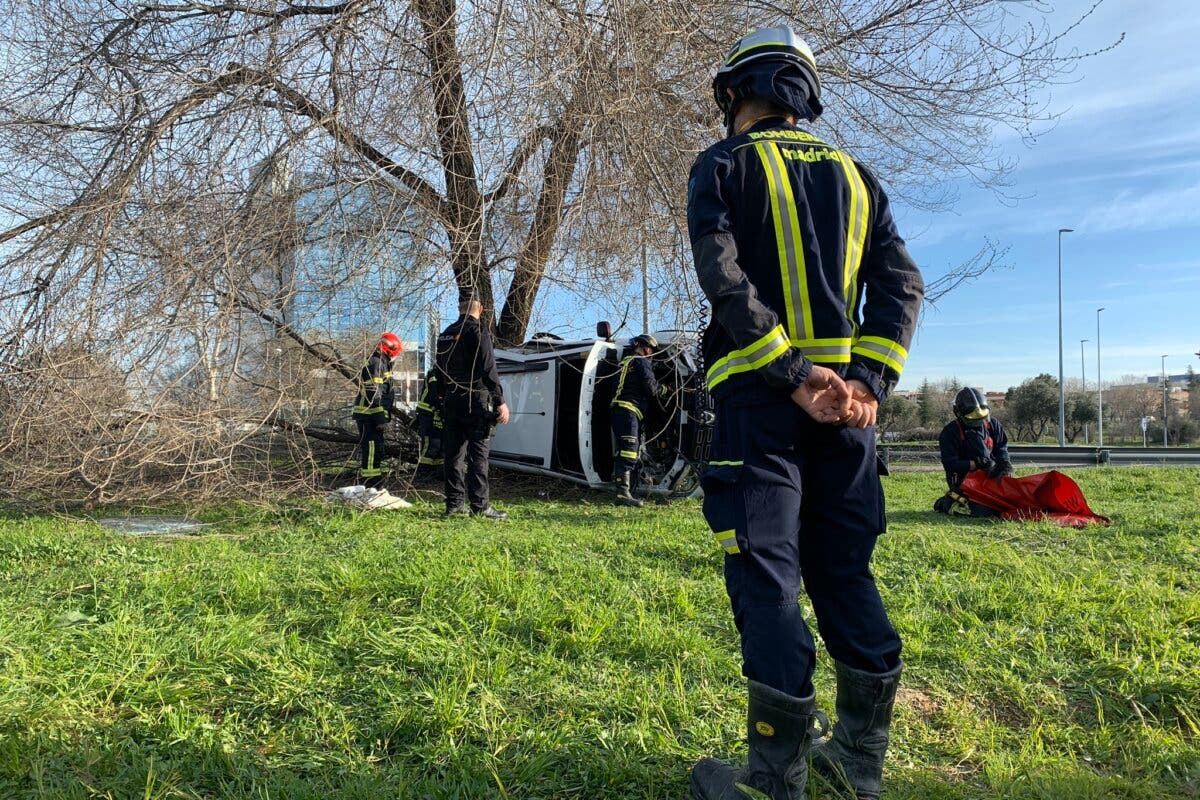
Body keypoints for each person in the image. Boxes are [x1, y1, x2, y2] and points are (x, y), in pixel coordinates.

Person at [687, 26, 924, 800]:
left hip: (762, 405)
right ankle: (859, 761)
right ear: (805, 98)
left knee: (769, 581)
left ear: (735, 93)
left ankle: (773, 780)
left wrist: (790, 373)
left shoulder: (722, 164)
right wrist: (867, 388)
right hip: (847, 418)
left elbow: (723, 280)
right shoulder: (860, 178)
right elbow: (902, 288)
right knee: (845, 570)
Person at [435, 294, 510, 520]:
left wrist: (442, 397)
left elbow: (439, 369)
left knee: (454, 456)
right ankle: (480, 506)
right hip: (475, 401)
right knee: (478, 455)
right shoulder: (477, 331)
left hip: (451, 401)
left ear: (460, 309)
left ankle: (454, 504)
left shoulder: (445, 334)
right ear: (482, 309)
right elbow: (488, 368)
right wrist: (500, 401)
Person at [934, 387, 1012, 516]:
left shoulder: (993, 425)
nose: (978, 422)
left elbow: (1001, 447)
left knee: (1008, 505)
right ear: (959, 413)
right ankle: (946, 503)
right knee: (984, 512)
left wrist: (1004, 463)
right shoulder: (950, 432)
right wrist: (975, 464)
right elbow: (950, 463)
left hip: (992, 476)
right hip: (965, 482)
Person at [610, 333, 665, 507]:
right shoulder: (641, 361)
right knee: (629, 451)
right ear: (641, 346)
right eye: (649, 349)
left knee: (625, 450)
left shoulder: (624, 362)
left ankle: (627, 492)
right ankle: (623, 495)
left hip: (620, 411)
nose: (650, 353)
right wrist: (666, 389)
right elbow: (651, 389)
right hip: (629, 410)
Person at [352, 332, 403, 491]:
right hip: (370, 415)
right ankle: (371, 484)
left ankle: (373, 482)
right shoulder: (376, 363)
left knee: (376, 450)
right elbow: (373, 393)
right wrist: (380, 417)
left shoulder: (381, 362)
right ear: (391, 349)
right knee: (372, 450)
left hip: (373, 415)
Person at [415, 368, 445, 473]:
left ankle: (438, 472)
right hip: (428, 413)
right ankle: (423, 473)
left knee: (440, 444)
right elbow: (434, 395)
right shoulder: (435, 372)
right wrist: (442, 409)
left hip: (437, 413)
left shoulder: (446, 372)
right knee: (429, 445)